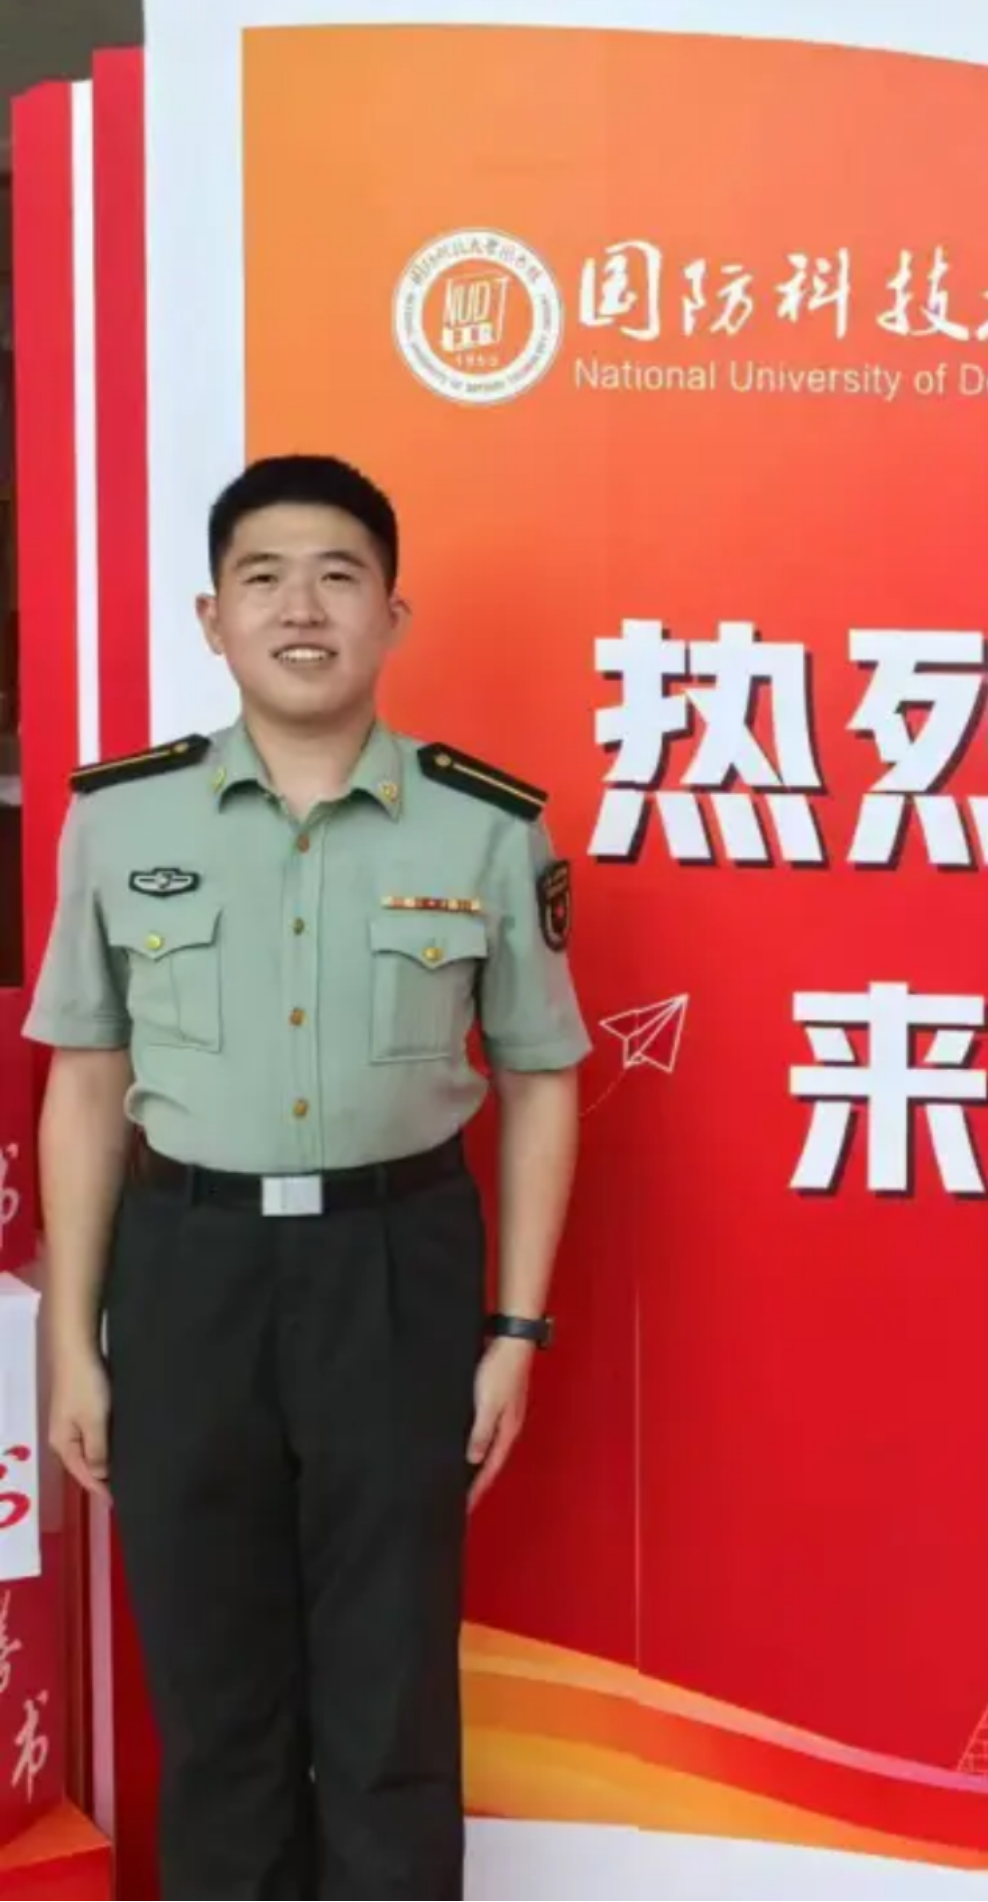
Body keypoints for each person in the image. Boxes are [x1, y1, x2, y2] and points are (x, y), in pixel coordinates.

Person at [29, 454, 589, 1901]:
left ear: (391, 616)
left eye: (338, 577)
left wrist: (515, 1329)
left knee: (389, 1694)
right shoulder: (120, 819)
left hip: (393, 1268)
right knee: (216, 1700)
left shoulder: (484, 825)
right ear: (210, 618)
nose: (300, 608)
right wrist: (70, 1341)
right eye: (262, 578)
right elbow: (84, 1080)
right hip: (187, 1268)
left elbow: (542, 1077)